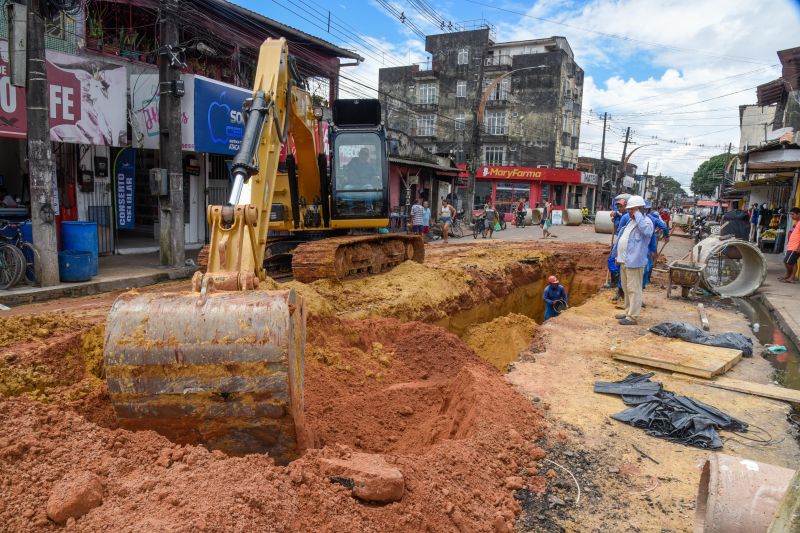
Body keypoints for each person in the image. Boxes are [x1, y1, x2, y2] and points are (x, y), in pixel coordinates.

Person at [613, 195, 654, 325]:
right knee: (626, 288)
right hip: (624, 261)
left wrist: (638, 215)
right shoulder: (630, 222)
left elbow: (647, 233)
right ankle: (627, 312)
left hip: (634, 263)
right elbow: (622, 239)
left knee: (634, 289)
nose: (629, 212)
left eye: (632, 209)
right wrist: (617, 256)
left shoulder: (646, 222)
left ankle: (633, 317)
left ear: (640, 209)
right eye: (629, 209)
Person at [643, 201, 669, 288]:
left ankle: (646, 280)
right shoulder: (633, 217)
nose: (644, 210)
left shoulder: (651, 218)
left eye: (646, 208)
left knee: (648, 260)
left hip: (648, 243)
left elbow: (664, 226)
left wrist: (666, 236)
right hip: (646, 243)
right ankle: (645, 279)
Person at [780, 207, 800, 283]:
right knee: (793, 262)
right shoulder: (797, 222)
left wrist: (799, 247)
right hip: (791, 246)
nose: (791, 216)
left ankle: (791, 277)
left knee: (787, 261)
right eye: (791, 214)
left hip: (795, 247)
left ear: (798, 214)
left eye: (793, 214)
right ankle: (790, 276)